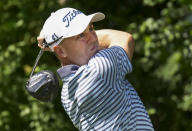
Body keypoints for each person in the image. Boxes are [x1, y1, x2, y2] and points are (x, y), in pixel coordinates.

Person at [37, 7, 154, 131]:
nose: (93, 38)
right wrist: (53, 43)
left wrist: (55, 43)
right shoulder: (98, 71)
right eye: (81, 35)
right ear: (61, 51)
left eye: (92, 28)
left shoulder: (66, 94)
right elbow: (124, 38)